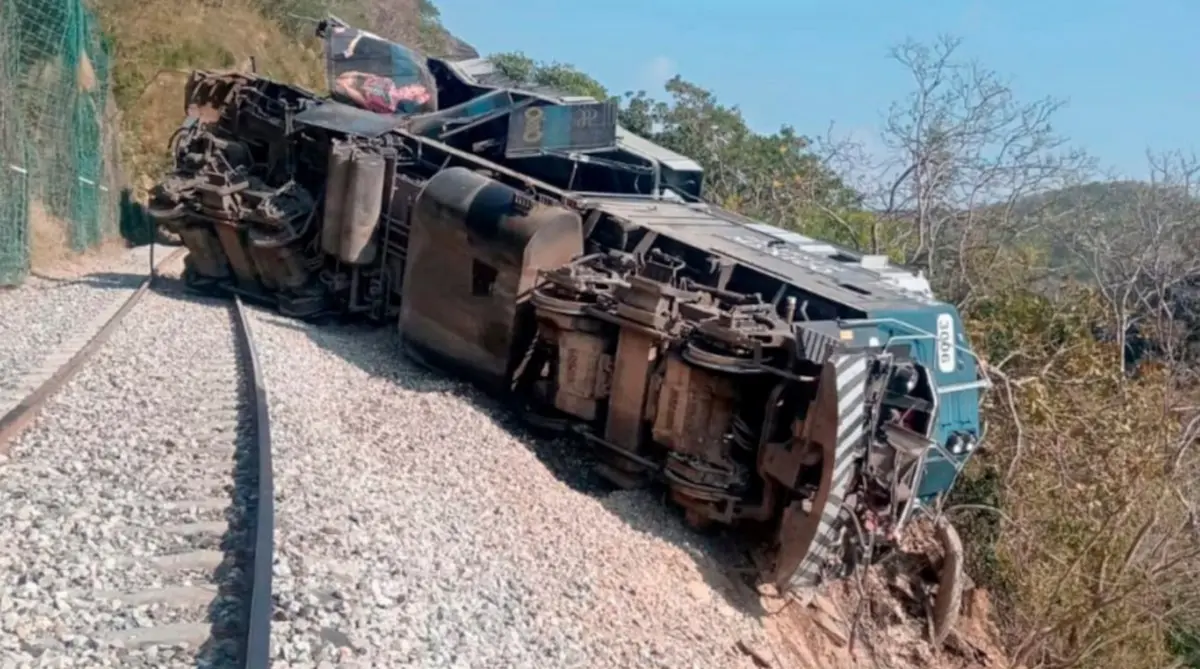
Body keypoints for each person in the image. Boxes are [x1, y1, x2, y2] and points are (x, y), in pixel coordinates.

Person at [332, 70, 433, 116]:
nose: (407, 88)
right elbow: (364, 102)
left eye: (411, 90)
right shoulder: (389, 83)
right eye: (409, 87)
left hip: (355, 94)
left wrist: (345, 85)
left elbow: (364, 102)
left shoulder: (389, 105)